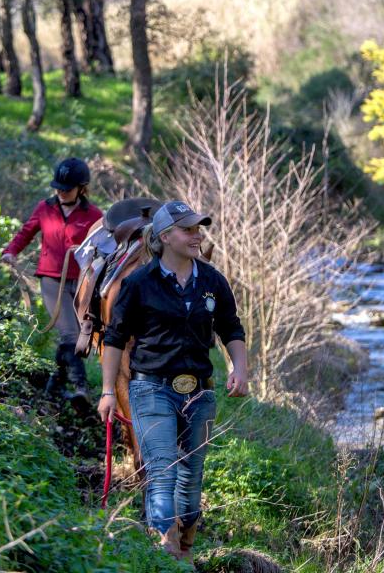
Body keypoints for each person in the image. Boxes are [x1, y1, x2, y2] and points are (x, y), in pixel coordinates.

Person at [97, 200, 249, 561]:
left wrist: (239, 367)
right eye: (188, 229)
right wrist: (107, 391)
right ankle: (166, 553)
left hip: (200, 392)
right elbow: (115, 339)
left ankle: (184, 551)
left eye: (199, 229)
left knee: (191, 481)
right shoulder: (138, 283)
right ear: (165, 237)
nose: (197, 236)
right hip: (151, 388)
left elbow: (231, 326)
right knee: (162, 470)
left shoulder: (213, 281)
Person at [1, 157, 102, 406]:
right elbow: (27, 231)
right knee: (70, 334)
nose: (60, 192)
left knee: (75, 337)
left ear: (81, 188)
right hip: (51, 280)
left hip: (81, 283)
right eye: (57, 187)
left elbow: (105, 247)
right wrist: (11, 251)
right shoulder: (44, 208)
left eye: (66, 189)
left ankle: (53, 385)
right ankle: (81, 387)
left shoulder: (94, 215)